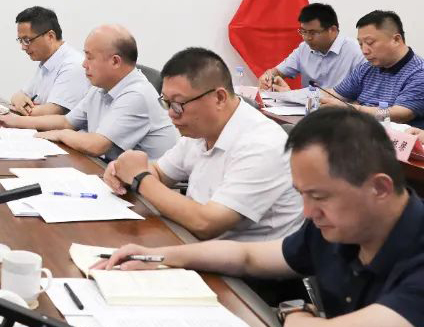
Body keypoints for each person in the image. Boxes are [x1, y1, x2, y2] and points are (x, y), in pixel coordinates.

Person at [96, 108, 424, 327]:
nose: (308, 212)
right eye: (302, 195)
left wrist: (293, 311)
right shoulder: (340, 227)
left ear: (379, 188)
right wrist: (161, 256)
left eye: (319, 197)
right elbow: (248, 256)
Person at [104, 47, 303, 241]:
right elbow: (160, 173)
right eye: (166, 103)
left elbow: (207, 224)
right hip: (194, 242)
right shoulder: (200, 129)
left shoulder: (262, 145)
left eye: (178, 104)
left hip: (239, 260)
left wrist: (140, 178)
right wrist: (123, 172)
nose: (171, 113)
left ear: (219, 98)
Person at [0, 25, 178, 160]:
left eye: (89, 57)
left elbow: (97, 145)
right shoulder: (101, 86)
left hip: (143, 192)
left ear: (115, 61)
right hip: (111, 173)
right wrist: (15, 121)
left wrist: (60, 134)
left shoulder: (136, 94)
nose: (83, 64)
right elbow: (67, 121)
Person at [321, 10, 424, 128]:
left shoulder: (419, 72)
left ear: (396, 40)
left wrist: (350, 108)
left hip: (393, 136)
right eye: (361, 44)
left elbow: (399, 114)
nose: (364, 51)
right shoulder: (366, 68)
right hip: (358, 130)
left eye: (370, 43)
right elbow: (334, 95)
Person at [259, 3, 365, 92]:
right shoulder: (304, 48)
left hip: (341, 109)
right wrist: (268, 77)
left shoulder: (356, 52)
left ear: (332, 30)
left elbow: (364, 97)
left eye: (313, 33)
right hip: (306, 107)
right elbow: (278, 72)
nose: (307, 38)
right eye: (303, 31)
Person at [8, 6, 88, 116]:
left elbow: (52, 112)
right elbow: (19, 95)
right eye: (20, 40)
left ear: (50, 36)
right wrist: (18, 101)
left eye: (27, 40)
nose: (23, 47)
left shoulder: (73, 65)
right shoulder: (46, 61)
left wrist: (17, 108)